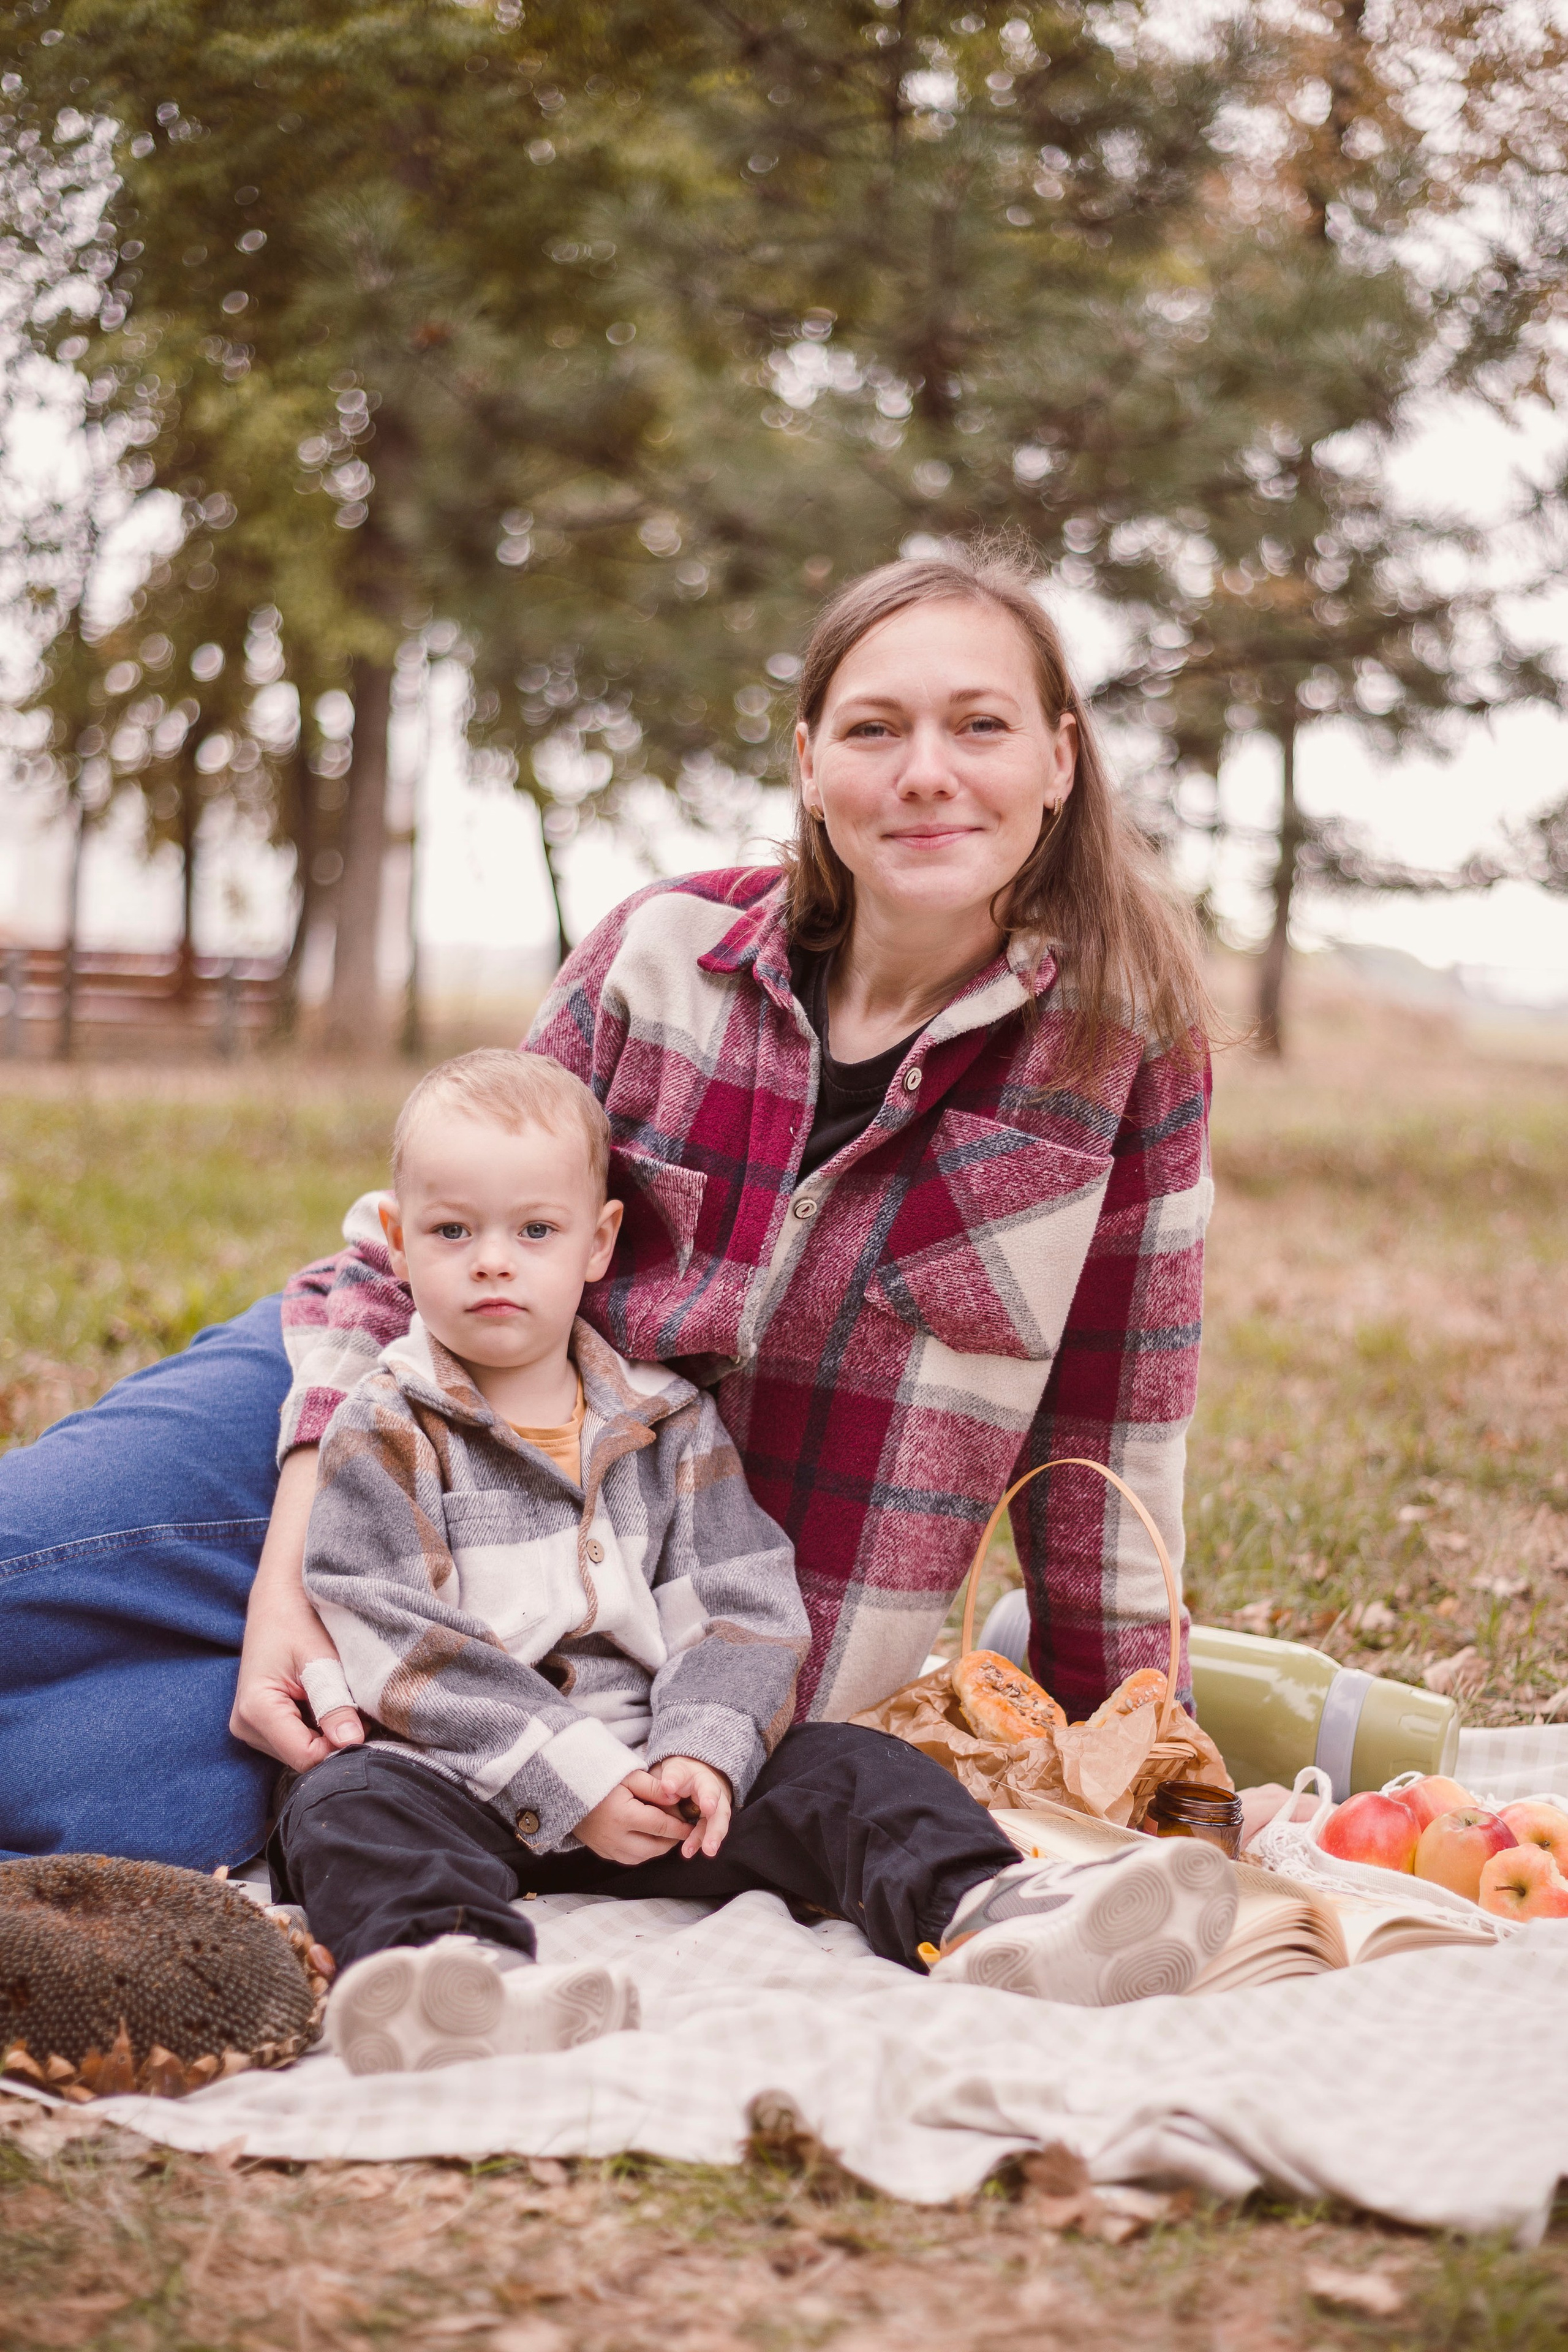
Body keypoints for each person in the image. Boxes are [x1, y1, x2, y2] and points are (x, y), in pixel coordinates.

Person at [0, 545, 1215, 1872]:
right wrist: (298, 1553)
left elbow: (1111, 1431)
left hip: (650, 1598)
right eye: (875, 729)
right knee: (21, 1572)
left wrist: (1152, 1762)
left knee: (114, 1804)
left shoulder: (1115, 1052)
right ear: (810, 765)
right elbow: (430, 1240)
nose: (925, 771)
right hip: (391, 1400)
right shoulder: (662, 954)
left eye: (977, 724)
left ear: (1058, 757)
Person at [282, 1047, 1236, 2072]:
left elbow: (741, 1604)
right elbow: (395, 1632)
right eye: (452, 1231)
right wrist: (573, 1779)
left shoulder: (665, 1419)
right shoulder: (386, 1424)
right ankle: (458, 1982)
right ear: (398, 1240)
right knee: (341, 1806)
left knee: (849, 1766)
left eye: (536, 1231)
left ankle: (990, 1912)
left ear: (599, 1244)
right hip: (465, 1779)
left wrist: (701, 1750)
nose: (493, 1261)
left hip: (664, 1791)